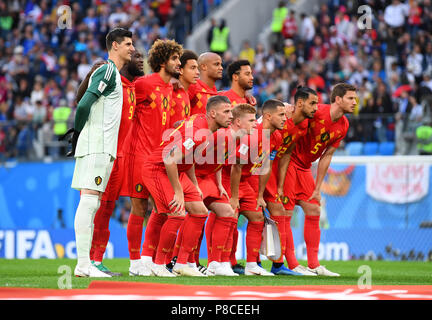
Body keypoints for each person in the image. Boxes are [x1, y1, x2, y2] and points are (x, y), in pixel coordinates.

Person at [141, 95, 233, 276]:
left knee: (200, 211)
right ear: (213, 113)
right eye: (226, 112)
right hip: (158, 169)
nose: (230, 115)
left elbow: (188, 156)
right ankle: (158, 264)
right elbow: (170, 159)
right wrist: (178, 192)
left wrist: (194, 184)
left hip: (178, 171)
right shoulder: (199, 132)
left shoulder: (203, 125)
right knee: (177, 212)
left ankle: (181, 263)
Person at [70, 28, 134, 278]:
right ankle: (83, 264)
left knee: (93, 201)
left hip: (101, 147)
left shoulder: (113, 75)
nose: (132, 48)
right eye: (127, 44)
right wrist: (77, 134)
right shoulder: (108, 70)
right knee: (89, 201)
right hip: (96, 145)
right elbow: (84, 102)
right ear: (115, 45)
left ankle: (84, 264)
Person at [119, 39, 182, 277]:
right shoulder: (143, 84)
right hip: (138, 155)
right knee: (140, 207)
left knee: (162, 209)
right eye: (174, 58)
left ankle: (150, 259)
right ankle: (136, 262)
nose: (178, 62)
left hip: (159, 157)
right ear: (162, 61)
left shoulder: (170, 87)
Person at [283, 83, 358, 276]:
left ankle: (314, 265)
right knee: (286, 213)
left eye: (355, 98)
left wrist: (317, 187)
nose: (355, 102)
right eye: (350, 98)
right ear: (338, 99)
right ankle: (292, 264)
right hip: (289, 162)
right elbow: (292, 117)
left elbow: (327, 156)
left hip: (305, 167)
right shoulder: (316, 111)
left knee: (314, 208)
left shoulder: (344, 125)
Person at [223, 98, 287, 276]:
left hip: (246, 180)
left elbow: (265, 165)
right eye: (281, 115)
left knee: (258, 216)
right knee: (228, 217)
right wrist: (234, 196)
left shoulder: (276, 137)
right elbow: (236, 166)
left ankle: (252, 265)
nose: (284, 118)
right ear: (268, 116)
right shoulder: (252, 134)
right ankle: (220, 263)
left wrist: (260, 195)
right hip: (229, 179)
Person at [263, 86, 318, 276]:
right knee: (248, 213)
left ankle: (285, 264)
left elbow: (286, 153)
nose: (316, 108)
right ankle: (231, 262)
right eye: (312, 103)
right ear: (299, 103)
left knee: (283, 213)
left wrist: (280, 184)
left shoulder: (302, 126)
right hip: (260, 166)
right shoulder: (281, 118)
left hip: (275, 170)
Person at [170, 50, 200, 127]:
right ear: (180, 70)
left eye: (197, 68)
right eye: (193, 68)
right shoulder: (170, 90)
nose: (197, 72)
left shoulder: (189, 93)